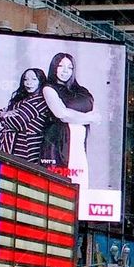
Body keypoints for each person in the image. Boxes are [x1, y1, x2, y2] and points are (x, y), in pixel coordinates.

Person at [39, 52, 100, 191]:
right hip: (57, 144)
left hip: (78, 146)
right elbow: (61, 114)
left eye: (70, 67)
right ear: (54, 67)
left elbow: (97, 116)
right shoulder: (49, 88)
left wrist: (73, 115)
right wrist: (87, 117)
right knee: (57, 187)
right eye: (61, 66)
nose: (65, 70)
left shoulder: (82, 91)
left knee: (81, 186)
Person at [0, 68, 50, 162]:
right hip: (11, 146)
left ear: (41, 81)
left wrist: (3, 116)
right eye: (25, 79)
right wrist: (3, 114)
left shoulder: (39, 101)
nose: (28, 82)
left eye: (34, 79)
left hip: (27, 148)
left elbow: (17, 122)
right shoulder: (22, 99)